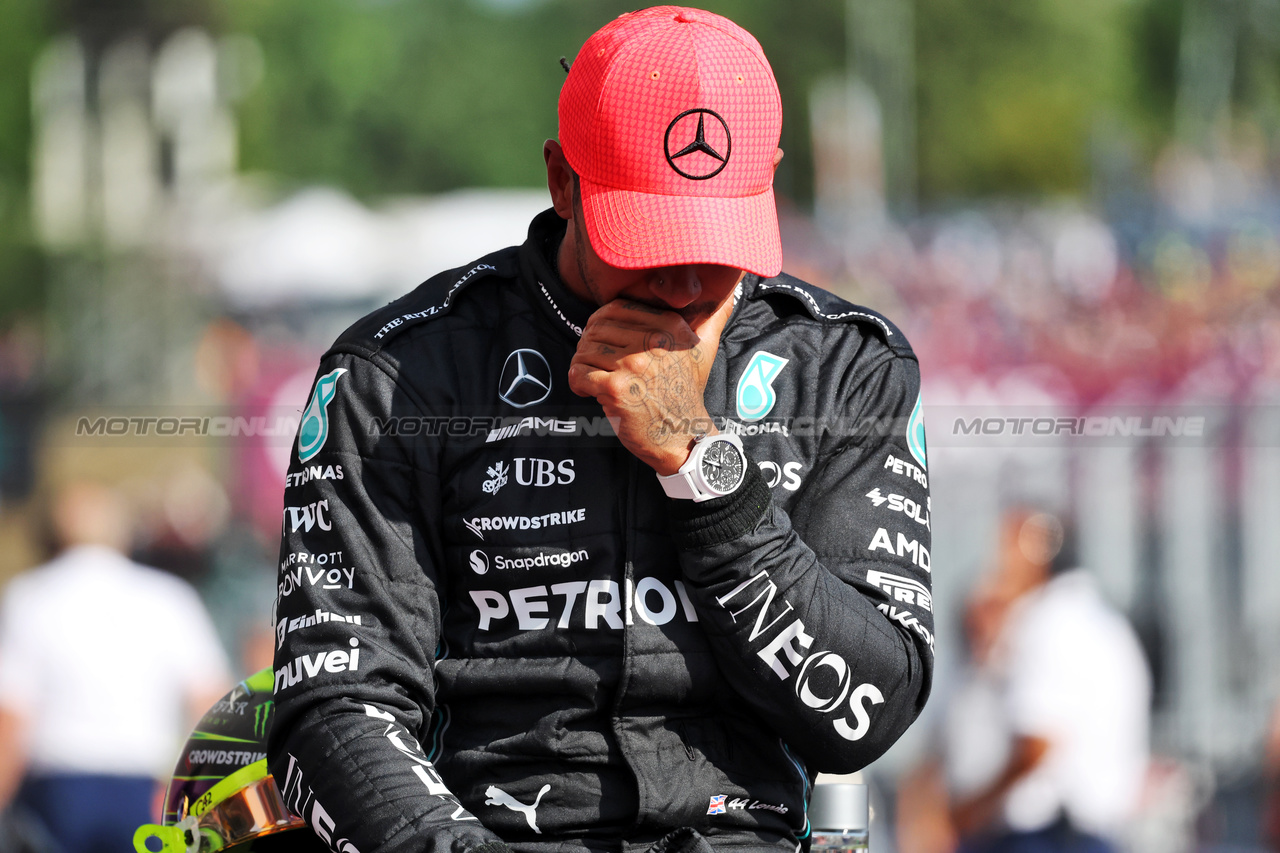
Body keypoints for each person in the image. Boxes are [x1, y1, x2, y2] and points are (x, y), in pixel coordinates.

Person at [269, 7, 934, 852]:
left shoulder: (843, 367)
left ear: (767, 181)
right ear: (561, 180)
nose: (688, 280)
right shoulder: (395, 376)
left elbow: (863, 718)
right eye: (652, 238)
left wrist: (706, 471)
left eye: (717, 238)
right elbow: (333, 706)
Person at [0, 480, 231, 853]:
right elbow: (213, 706)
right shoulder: (168, 597)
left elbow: (10, 718)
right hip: (146, 790)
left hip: (57, 792)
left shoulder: (29, 597)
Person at [943, 511, 1150, 853]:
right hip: (1092, 834)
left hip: (1046, 836)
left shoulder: (1049, 622)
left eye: (1007, 550)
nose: (998, 567)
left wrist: (971, 809)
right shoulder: (1107, 624)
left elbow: (1038, 744)